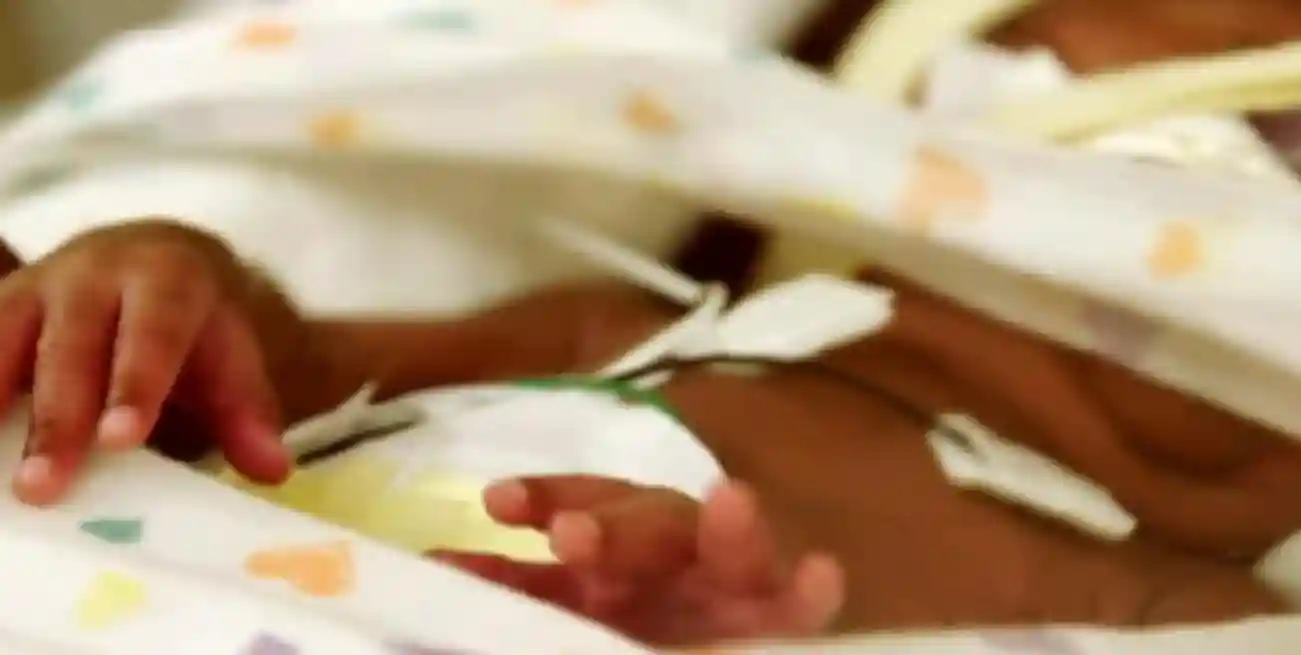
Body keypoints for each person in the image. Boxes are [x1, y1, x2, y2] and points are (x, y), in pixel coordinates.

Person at [2, 218, 1299, 647]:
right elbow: (298, 363)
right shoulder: (637, 334)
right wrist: (163, 272)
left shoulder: (1098, 567)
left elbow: (1220, 627)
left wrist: (751, 621)